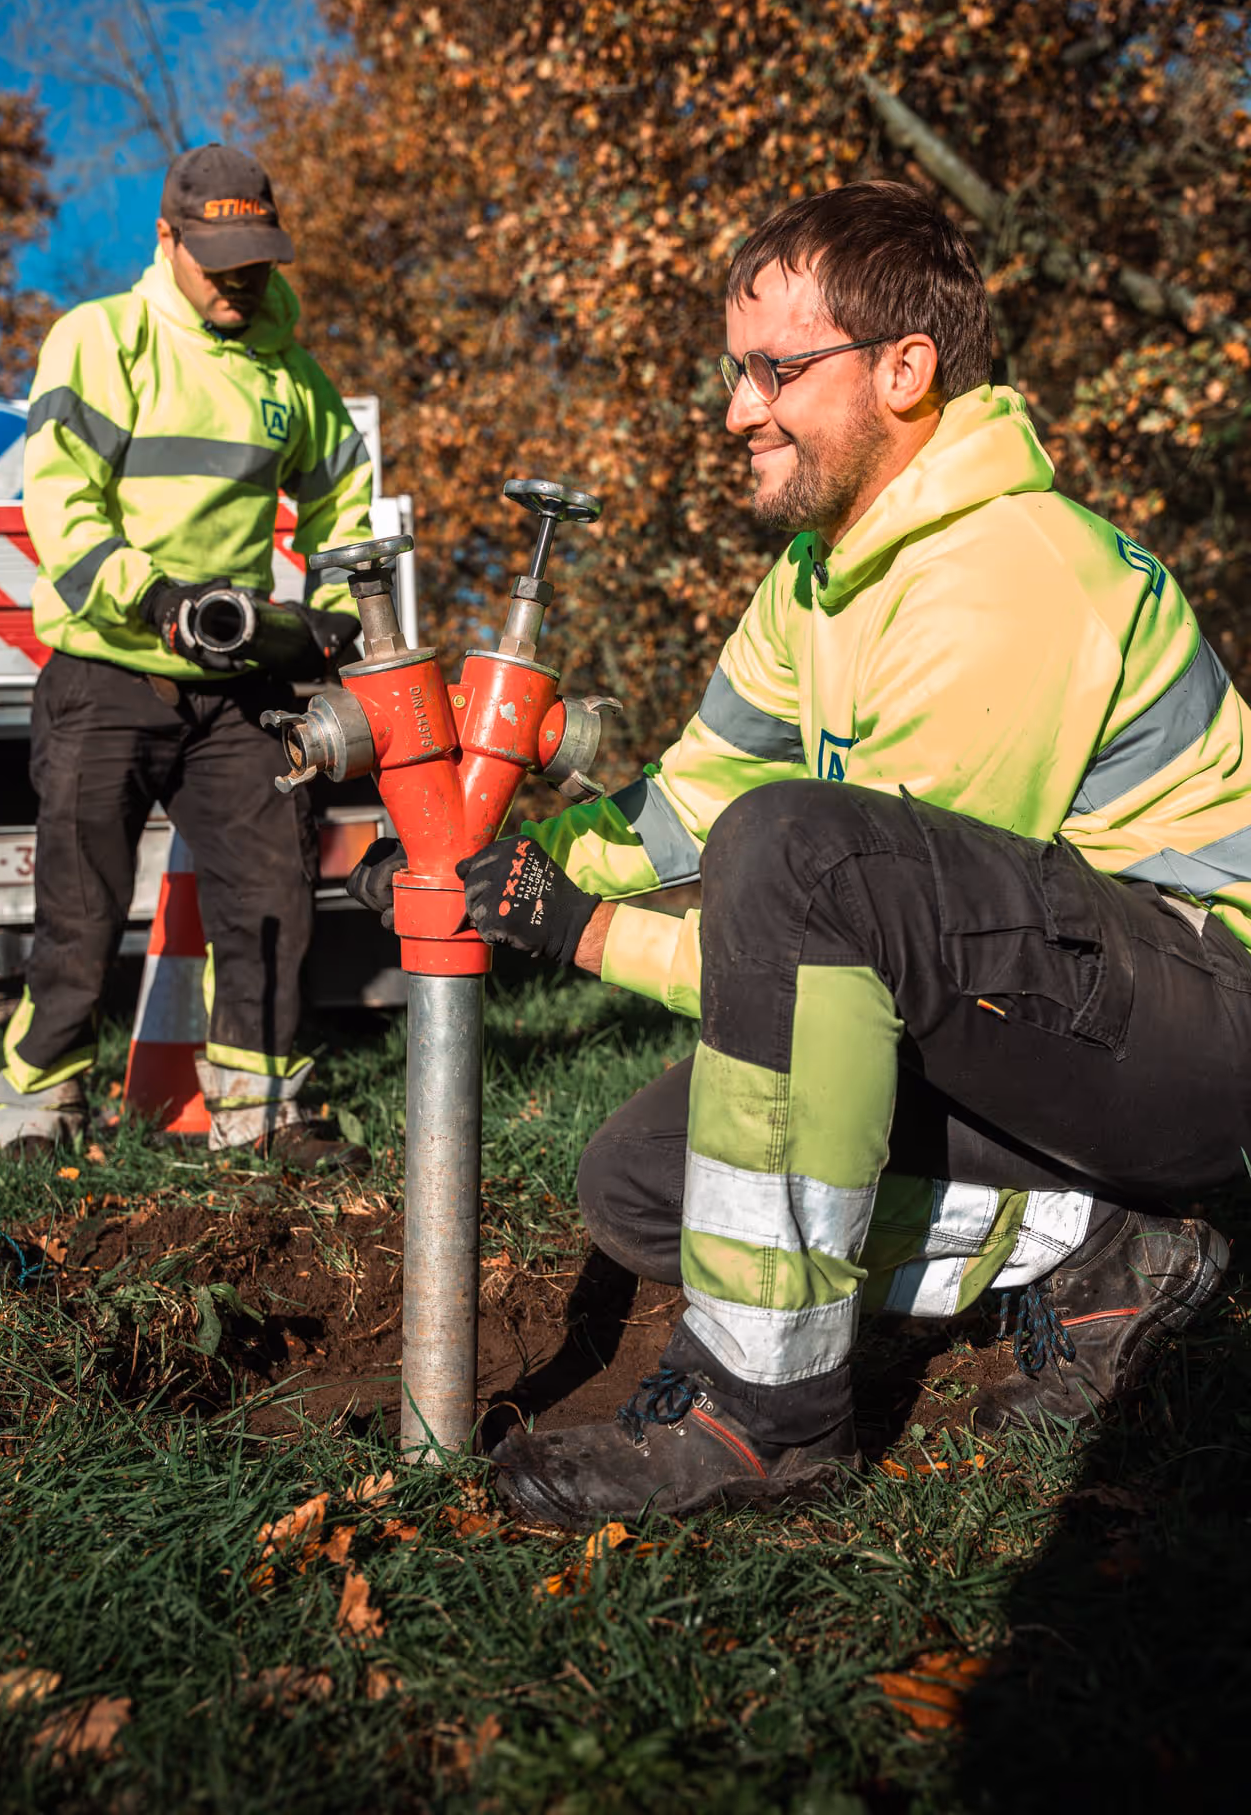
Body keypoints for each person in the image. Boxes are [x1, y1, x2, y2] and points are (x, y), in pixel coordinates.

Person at [354, 181, 1249, 1528]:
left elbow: (854, 915)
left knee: (805, 849)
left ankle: (756, 1418)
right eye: (734, 370)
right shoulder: (817, 578)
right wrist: (499, 865)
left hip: (1204, 1030)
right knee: (645, 1185)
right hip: (1053, 1011)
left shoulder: (1005, 579)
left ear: (905, 369)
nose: (734, 410)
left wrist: (582, 936)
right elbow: (694, 801)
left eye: (776, 370)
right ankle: (1111, 1248)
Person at [0, 142, 371, 1169]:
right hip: (106, 670)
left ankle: (262, 1112)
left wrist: (330, 610)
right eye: (217, 259)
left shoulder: (291, 373)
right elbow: (59, 500)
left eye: (255, 258)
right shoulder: (101, 339)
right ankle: (34, 1114)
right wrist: (151, 595)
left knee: (273, 900)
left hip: (238, 687)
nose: (239, 279)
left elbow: (345, 497)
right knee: (80, 913)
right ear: (166, 239)